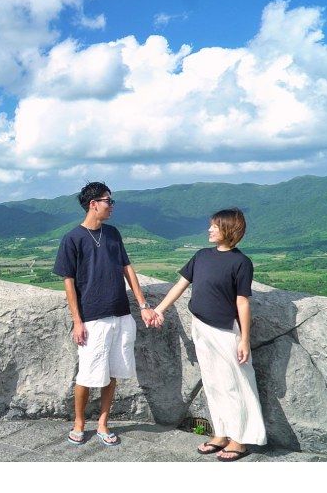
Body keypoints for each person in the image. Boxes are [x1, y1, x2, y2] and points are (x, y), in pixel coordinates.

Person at [151, 208, 266, 461]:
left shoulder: (241, 262)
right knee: (213, 383)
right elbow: (180, 286)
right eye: (211, 225)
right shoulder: (201, 256)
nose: (209, 229)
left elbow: (242, 303)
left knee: (235, 385)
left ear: (229, 230)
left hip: (226, 331)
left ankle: (240, 440)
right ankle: (221, 433)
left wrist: (244, 339)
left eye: (214, 226)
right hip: (200, 327)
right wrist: (158, 310)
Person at [53, 181, 157, 447]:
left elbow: (127, 268)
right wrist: (77, 321)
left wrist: (143, 305)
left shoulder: (112, 233)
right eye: (109, 201)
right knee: (87, 375)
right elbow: (68, 282)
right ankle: (78, 423)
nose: (112, 206)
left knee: (111, 373)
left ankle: (102, 423)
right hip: (92, 317)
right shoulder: (72, 238)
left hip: (120, 313)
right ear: (93, 204)